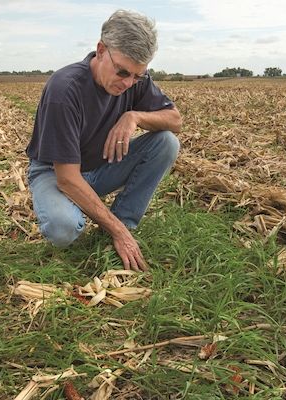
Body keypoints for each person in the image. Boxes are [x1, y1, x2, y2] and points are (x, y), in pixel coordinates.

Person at [25, 9, 181, 272]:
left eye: (138, 75)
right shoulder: (64, 90)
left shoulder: (134, 80)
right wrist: (116, 231)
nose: (129, 83)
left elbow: (175, 120)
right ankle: (117, 229)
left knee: (166, 143)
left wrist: (134, 116)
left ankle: (123, 222)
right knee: (63, 229)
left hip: (100, 166)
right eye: (122, 72)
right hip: (56, 174)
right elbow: (67, 179)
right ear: (100, 50)